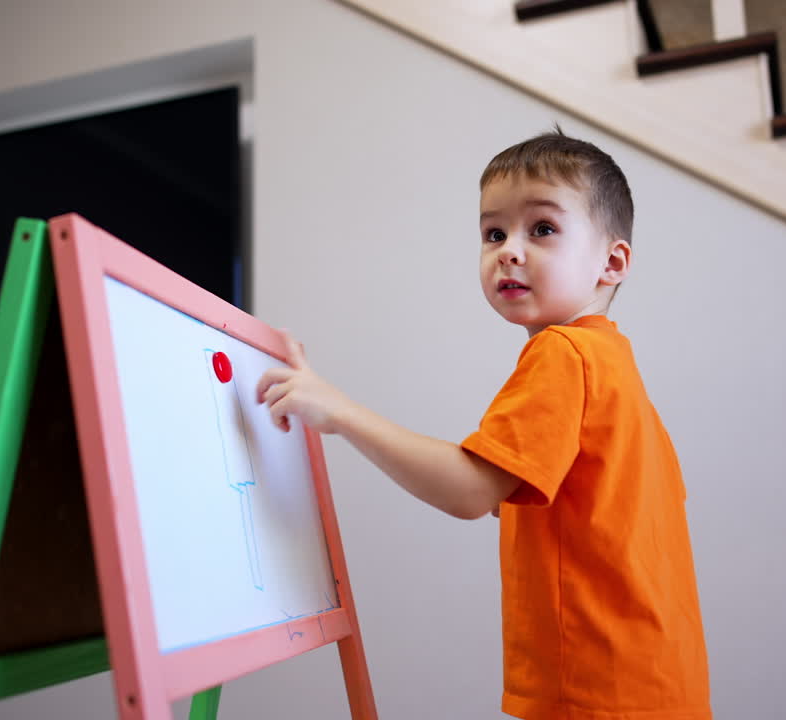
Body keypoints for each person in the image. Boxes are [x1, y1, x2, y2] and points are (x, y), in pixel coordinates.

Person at [256, 128, 711, 719]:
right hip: (659, 686)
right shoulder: (614, 368)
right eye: (493, 233)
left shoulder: (563, 355)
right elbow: (527, 500)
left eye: (542, 229)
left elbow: (472, 490)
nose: (509, 250)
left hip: (597, 693)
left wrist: (340, 412)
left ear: (612, 261)